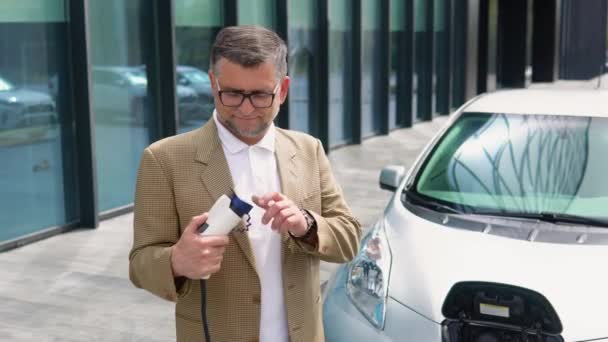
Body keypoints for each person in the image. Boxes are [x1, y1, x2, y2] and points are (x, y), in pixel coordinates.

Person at [129, 25, 361, 342]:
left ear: (283, 90)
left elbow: (349, 238)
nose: (246, 109)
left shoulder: (309, 150)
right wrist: (176, 261)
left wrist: (306, 224)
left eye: (261, 95)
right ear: (213, 83)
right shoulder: (164, 160)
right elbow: (140, 265)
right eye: (233, 94)